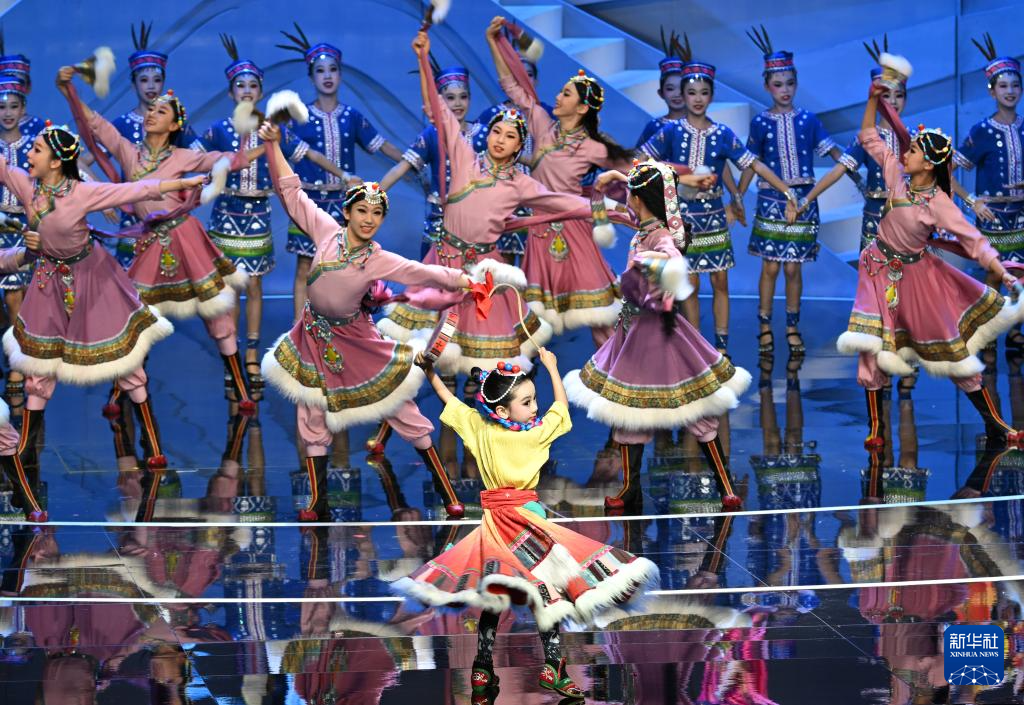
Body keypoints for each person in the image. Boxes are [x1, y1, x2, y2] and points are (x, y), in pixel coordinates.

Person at [393, 348, 659, 699]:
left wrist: (430, 372)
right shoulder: (535, 435)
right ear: (503, 410)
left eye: (534, 400)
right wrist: (552, 366)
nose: (535, 407)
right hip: (526, 523)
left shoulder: (479, 428)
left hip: (495, 527)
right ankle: (552, 667)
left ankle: (482, 669)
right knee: (546, 591)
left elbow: (449, 400)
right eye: (528, 402)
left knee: (498, 597)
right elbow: (561, 409)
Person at [259, 119, 472, 521]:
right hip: (313, 335)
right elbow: (291, 192)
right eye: (362, 211)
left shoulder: (378, 258)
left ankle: (447, 492)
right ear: (347, 212)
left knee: (399, 406)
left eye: (377, 213)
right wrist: (272, 146)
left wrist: (464, 279)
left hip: (356, 339)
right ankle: (318, 500)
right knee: (311, 409)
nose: (369, 219)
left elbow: (422, 272)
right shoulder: (326, 232)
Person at [0, 122, 204, 521]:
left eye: (37, 149)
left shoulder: (82, 192)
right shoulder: (27, 186)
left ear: (56, 162)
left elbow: (136, 190)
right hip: (49, 282)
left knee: (123, 360)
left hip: (92, 278)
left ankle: (151, 440)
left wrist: (184, 183)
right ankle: (25, 452)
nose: (29, 155)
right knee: (39, 364)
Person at [379, 31, 587, 382]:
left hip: (483, 268)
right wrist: (422, 59)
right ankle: (446, 395)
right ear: (486, 135)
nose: (501, 140)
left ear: (519, 147)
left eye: (510, 136)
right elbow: (438, 111)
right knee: (440, 341)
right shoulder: (464, 157)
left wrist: (609, 208)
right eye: (496, 132)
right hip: (445, 260)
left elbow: (564, 202)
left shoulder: (520, 183)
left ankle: (479, 395)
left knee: (480, 345)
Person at [831, 82, 1024, 450]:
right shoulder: (895, 175)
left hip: (917, 278)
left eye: (913, 150)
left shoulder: (939, 203)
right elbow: (869, 136)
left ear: (929, 164)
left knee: (951, 352)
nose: (905, 153)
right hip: (876, 271)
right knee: (870, 343)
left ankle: (996, 423)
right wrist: (871, 100)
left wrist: (1000, 271)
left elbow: (973, 240)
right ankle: (876, 426)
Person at [57, 66, 263, 411]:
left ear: (174, 125)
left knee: (216, 313)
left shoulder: (184, 156)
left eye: (161, 111)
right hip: (151, 242)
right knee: (135, 314)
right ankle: (121, 390)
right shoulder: (128, 153)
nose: (151, 113)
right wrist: (69, 92)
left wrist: (264, 142)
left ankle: (240, 387)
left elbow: (230, 160)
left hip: (186, 240)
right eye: (150, 109)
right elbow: (97, 126)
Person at [565, 160, 751, 512]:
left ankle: (725, 485)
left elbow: (672, 254)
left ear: (639, 198)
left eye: (631, 192)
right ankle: (628, 486)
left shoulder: (659, 235)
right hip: (633, 330)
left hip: (656, 330)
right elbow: (620, 205)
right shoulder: (643, 225)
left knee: (694, 409)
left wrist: (653, 261)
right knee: (628, 410)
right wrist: (619, 179)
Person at [193, 36, 344, 400]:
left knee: (255, 286)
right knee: (229, 289)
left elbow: (307, 154)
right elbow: (192, 158)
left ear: (260, 92)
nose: (246, 91)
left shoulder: (272, 131)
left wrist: (342, 175)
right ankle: (231, 352)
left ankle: (251, 352)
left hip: (258, 214)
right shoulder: (219, 129)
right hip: (226, 216)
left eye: (252, 85)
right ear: (231, 93)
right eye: (240, 85)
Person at [486, 16, 630, 344]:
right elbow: (511, 85)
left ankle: (615, 372)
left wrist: (688, 179)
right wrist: (493, 41)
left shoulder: (594, 147)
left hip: (575, 229)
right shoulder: (540, 123)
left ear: (581, 109)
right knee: (531, 319)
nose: (558, 97)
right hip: (539, 230)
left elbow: (634, 169)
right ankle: (518, 373)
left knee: (600, 316)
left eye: (566, 94)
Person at [640, 39, 791, 354]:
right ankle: (697, 347)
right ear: (683, 95)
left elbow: (753, 164)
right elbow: (640, 161)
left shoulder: (722, 134)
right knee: (691, 284)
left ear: (711, 96)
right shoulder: (670, 131)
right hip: (682, 217)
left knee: (720, 282)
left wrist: (786, 190)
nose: (697, 99)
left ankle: (721, 347)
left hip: (713, 217)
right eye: (692, 92)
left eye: (704, 93)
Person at [277, 27, 404, 323]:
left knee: (349, 266)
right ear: (311, 78)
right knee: (306, 266)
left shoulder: (351, 117)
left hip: (345, 204)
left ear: (341, 75)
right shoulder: (298, 118)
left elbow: (380, 145)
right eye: (320, 71)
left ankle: (346, 325)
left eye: (332, 69)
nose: (327, 75)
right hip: (310, 202)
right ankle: (299, 328)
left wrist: (413, 160)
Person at [740, 27, 844, 356]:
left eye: (790, 83)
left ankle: (792, 325)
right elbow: (751, 161)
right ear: (766, 86)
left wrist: (856, 167)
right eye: (778, 84)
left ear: (796, 84)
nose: (784, 90)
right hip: (771, 200)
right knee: (770, 266)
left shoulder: (808, 120)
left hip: (803, 201)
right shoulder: (760, 123)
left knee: (793, 268)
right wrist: (737, 195)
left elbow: (833, 151)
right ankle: (764, 324)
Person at [797, 37, 907, 254]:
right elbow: (838, 171)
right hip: (876, 219)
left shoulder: (915, 138)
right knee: (875, 274)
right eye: (886, 96)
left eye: (899, 95)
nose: (893, 102)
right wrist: (806, 200)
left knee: (909, 275)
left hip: (908, 222)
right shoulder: (867, 139)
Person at [954, 33, 1024, 348]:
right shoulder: (982, 130)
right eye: (1003, 86)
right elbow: (946, 172)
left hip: (1021, 213)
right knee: (996, 273)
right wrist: (972, 202)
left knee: (1020, 274)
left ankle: (1015, 329)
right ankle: (989, 328)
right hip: (993, 215)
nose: (1010, 91)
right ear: (992, 91)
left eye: (1015, 85)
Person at [109, 21, 198, 269]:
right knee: (131, 280)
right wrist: (109, 193)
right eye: (144, 80)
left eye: (156, 80)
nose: (150, 86)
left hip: (168, 215)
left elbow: (199, 157)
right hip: (133, 217)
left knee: (168, 281)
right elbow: (84, 160)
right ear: (133, 84)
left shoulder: (175, 124)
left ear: (163, 84)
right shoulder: (122, 124)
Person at [380, 63, 486, 259]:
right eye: (450, 98)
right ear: (440, 101)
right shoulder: (432, 134)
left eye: (463, 97)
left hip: (477, 224)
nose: (458, 103)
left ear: (470, 98)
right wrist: (372, 194)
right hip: (440, 225)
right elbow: (401, 168)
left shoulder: (483, 134)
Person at [0, 73, 39, 405]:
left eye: (13, 106)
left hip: (24, 229)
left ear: (23, 108)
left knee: (16, 296)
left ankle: (18, 362)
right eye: (1, 107)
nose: (7, 113)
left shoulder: (33, 145)